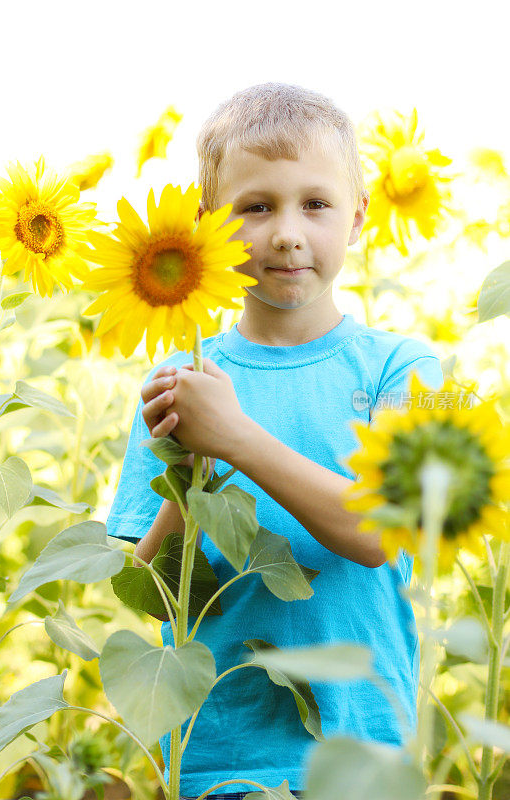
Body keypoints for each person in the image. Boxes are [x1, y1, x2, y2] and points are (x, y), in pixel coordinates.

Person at [106, 82, 444, 800]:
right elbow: (158, 591)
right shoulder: (183, 381)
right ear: (206, 226)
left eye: (314, 204)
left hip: (361, 749)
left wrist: (235, 438)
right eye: (255, 207)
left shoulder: (399, 367)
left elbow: (383, 530)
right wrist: (183, 477)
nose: (287, 232)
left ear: (356, 217)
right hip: (216, 752)